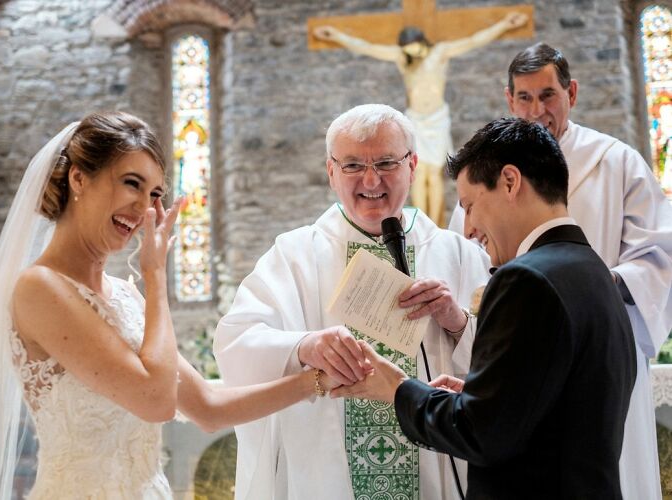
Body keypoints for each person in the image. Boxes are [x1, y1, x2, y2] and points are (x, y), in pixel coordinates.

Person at [0, 111, 339, 499]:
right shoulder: (39, 288)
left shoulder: (126, 296)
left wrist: (317, 380)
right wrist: (155, 274)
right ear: (78, 178)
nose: (143, 208)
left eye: (155, 195)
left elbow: (208, 407)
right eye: (132, 183)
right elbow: (156, 401)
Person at [336, 118, 638, 499]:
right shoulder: (592, 269)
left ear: (510, 182)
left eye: (470, 206)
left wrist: (397, 389)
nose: (468, 228)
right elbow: (557, 405)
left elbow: (482, 435)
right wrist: (486, 395)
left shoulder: (526, 280)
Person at [214, 104, 491, 500]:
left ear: (413, 165)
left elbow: (508, 367)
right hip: (328, 477)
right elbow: (235, 343)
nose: (371, 179)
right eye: (352, 166)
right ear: (330, 172)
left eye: (386, 162)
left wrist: (457, 323)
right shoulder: (294, 256)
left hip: (437, 467)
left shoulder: (458, 254)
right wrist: (303, 346)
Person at [448, 42, 672, 500]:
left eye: (548, 95)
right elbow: (471, 262)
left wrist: (603, 284)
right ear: (509, 100)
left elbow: (660, 254)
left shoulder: (616, 161)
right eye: (525, 97)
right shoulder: (488, 175)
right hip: (519, 365)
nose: (537, 110)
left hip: (596, 355)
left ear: (571, 92)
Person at [313, 12, 528, 226]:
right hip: (415, 120)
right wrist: (336, 36)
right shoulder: (404, 60)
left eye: (414, 48)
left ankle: (434, 224)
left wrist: (504, 24)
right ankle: (419, 222)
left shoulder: (439, 53)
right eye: (408, 51)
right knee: (416, 173)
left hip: (436, 119)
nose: (413, 53)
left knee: (433, 175)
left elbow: (472, 41)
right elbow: (368, 48)